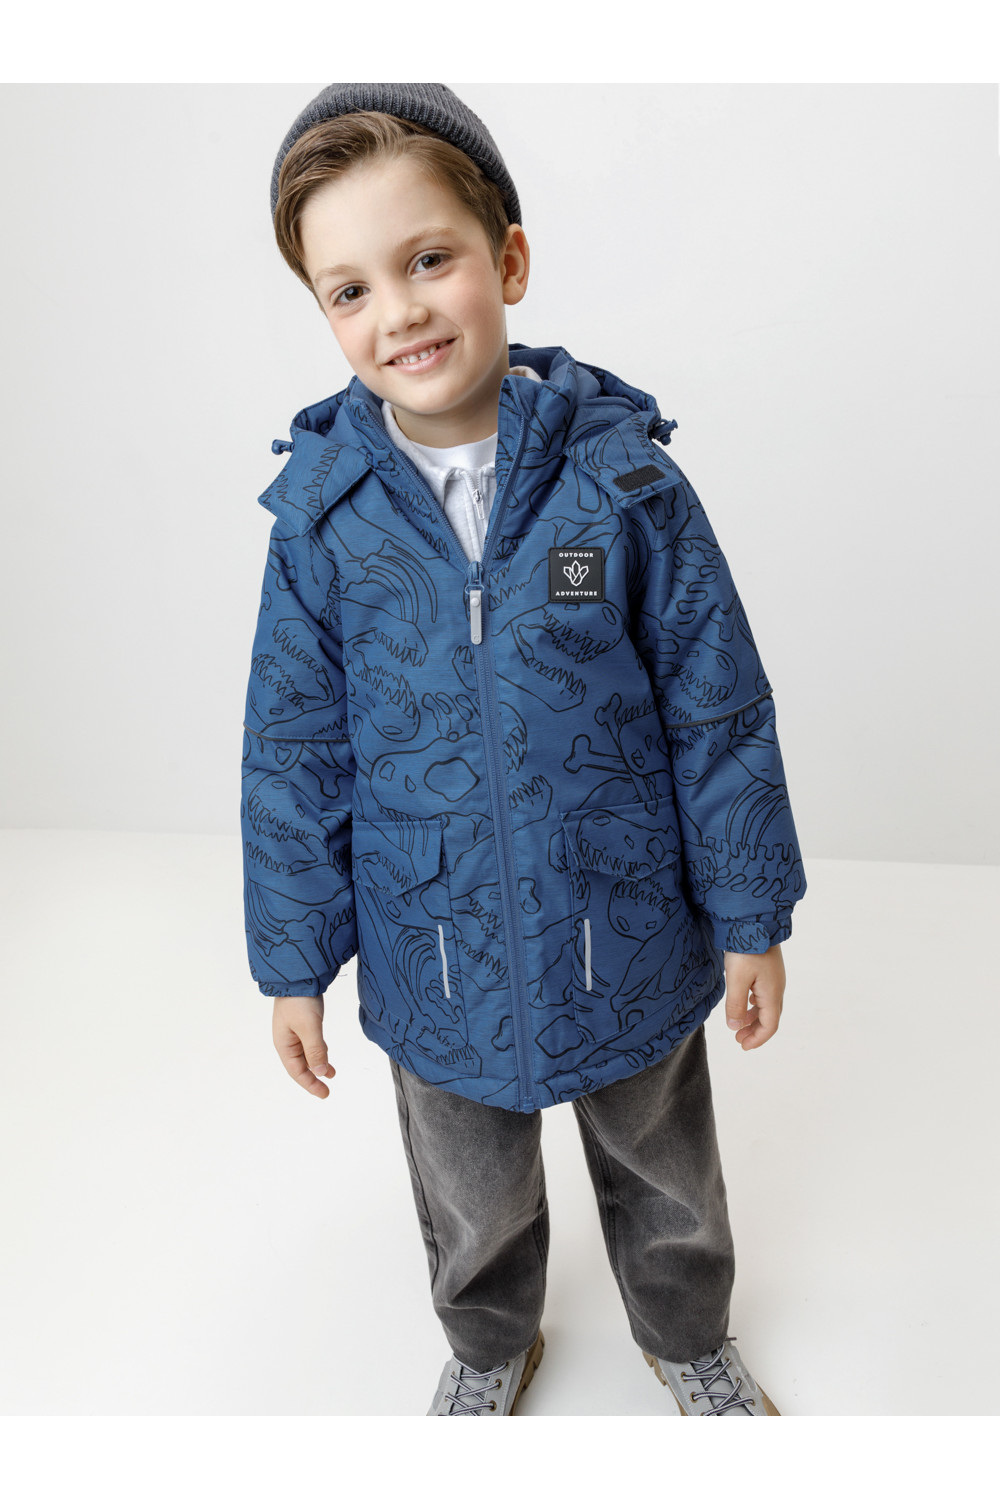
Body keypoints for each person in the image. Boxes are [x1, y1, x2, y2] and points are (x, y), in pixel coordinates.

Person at [241, 82, 808, 1417]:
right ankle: (490, 1342)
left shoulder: (628, 486)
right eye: (351, 289)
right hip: (433, 941)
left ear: (507, 260)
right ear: (325, 312)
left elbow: (719, 708)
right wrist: (293, 962)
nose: (399, 312)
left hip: (627, 921)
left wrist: (750, 916)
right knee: (469, 1187)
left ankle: (687, 1331)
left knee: (665, 1165)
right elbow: (293, 751)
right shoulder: (323, 523)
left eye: (428, 260)